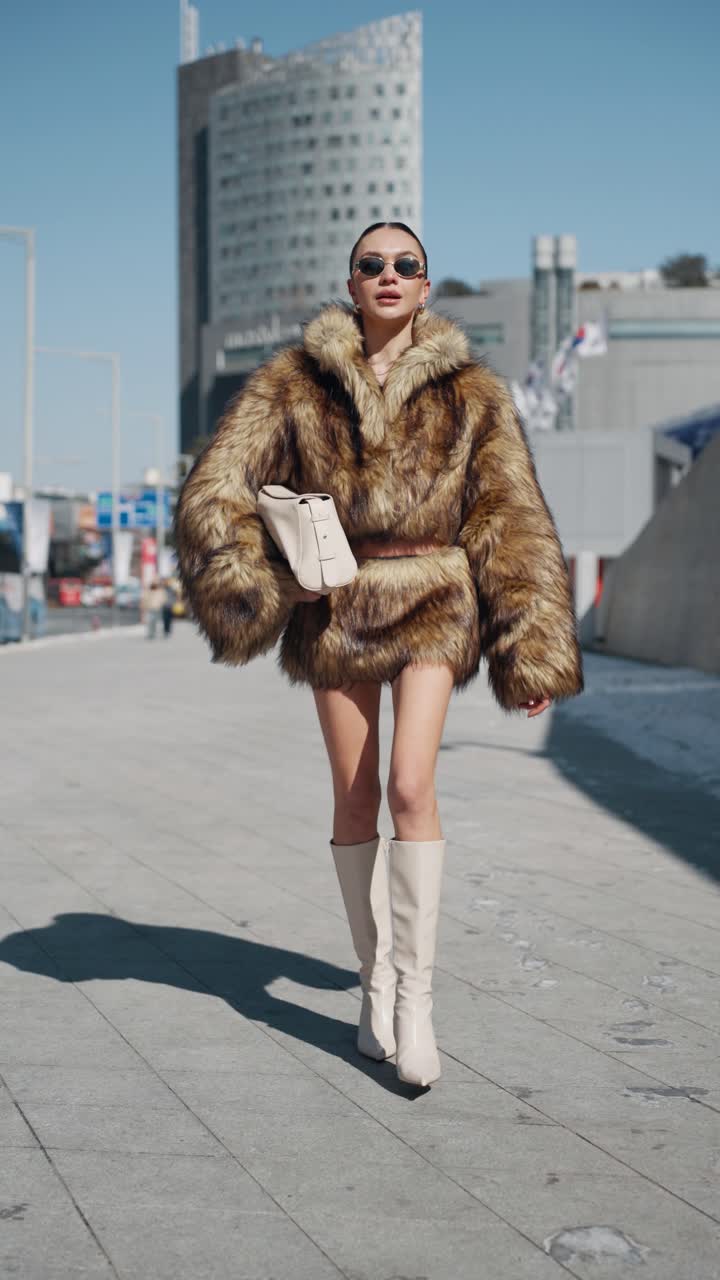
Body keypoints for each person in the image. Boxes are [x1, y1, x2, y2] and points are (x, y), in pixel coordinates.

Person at [175, 222, 583, 1088]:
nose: (389, 275)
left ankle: (418, 1002)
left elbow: (509, 514)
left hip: (437, 597)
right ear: (352, 284)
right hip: (339, 607)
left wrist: (530, 645)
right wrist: (276, 581)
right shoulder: (294, 384)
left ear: (427, 287)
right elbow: (218, 490)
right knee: (356, 800)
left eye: (407, 265)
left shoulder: (473, 390)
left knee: (410, 785)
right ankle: (373, 987)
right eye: (373, 265)